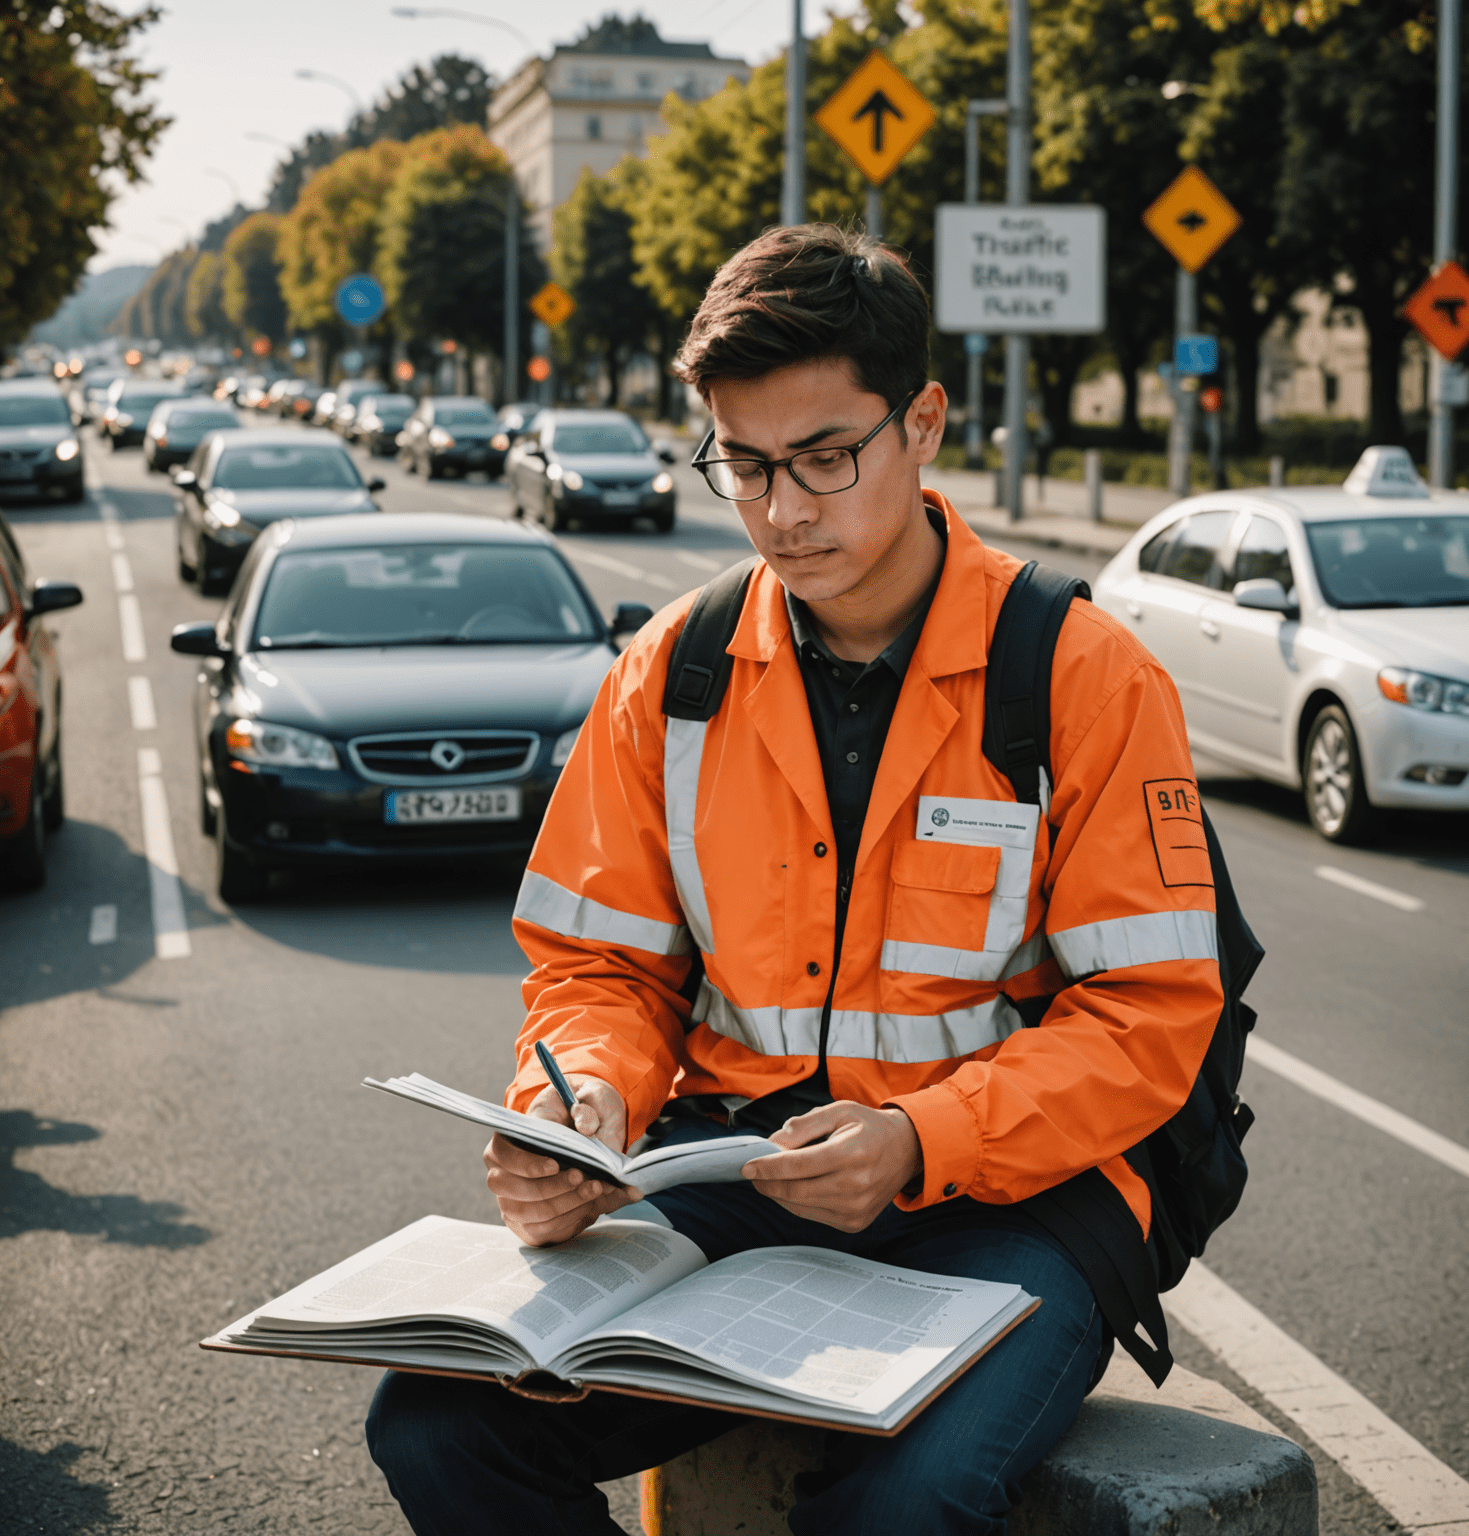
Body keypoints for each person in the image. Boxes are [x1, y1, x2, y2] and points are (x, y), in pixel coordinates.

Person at [366, 224, 1223, 1535]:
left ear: (923, 422)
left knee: (912, 1500)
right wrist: (581, 1105)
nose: (782, 509)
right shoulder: (670, 675)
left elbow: (1150, 1014)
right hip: (734, 1176)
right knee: (435, 1422)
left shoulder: (1086, 677)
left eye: (825, 457)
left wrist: (923, 1139)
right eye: (745, 465)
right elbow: (601, 967)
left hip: (1016, 1208)